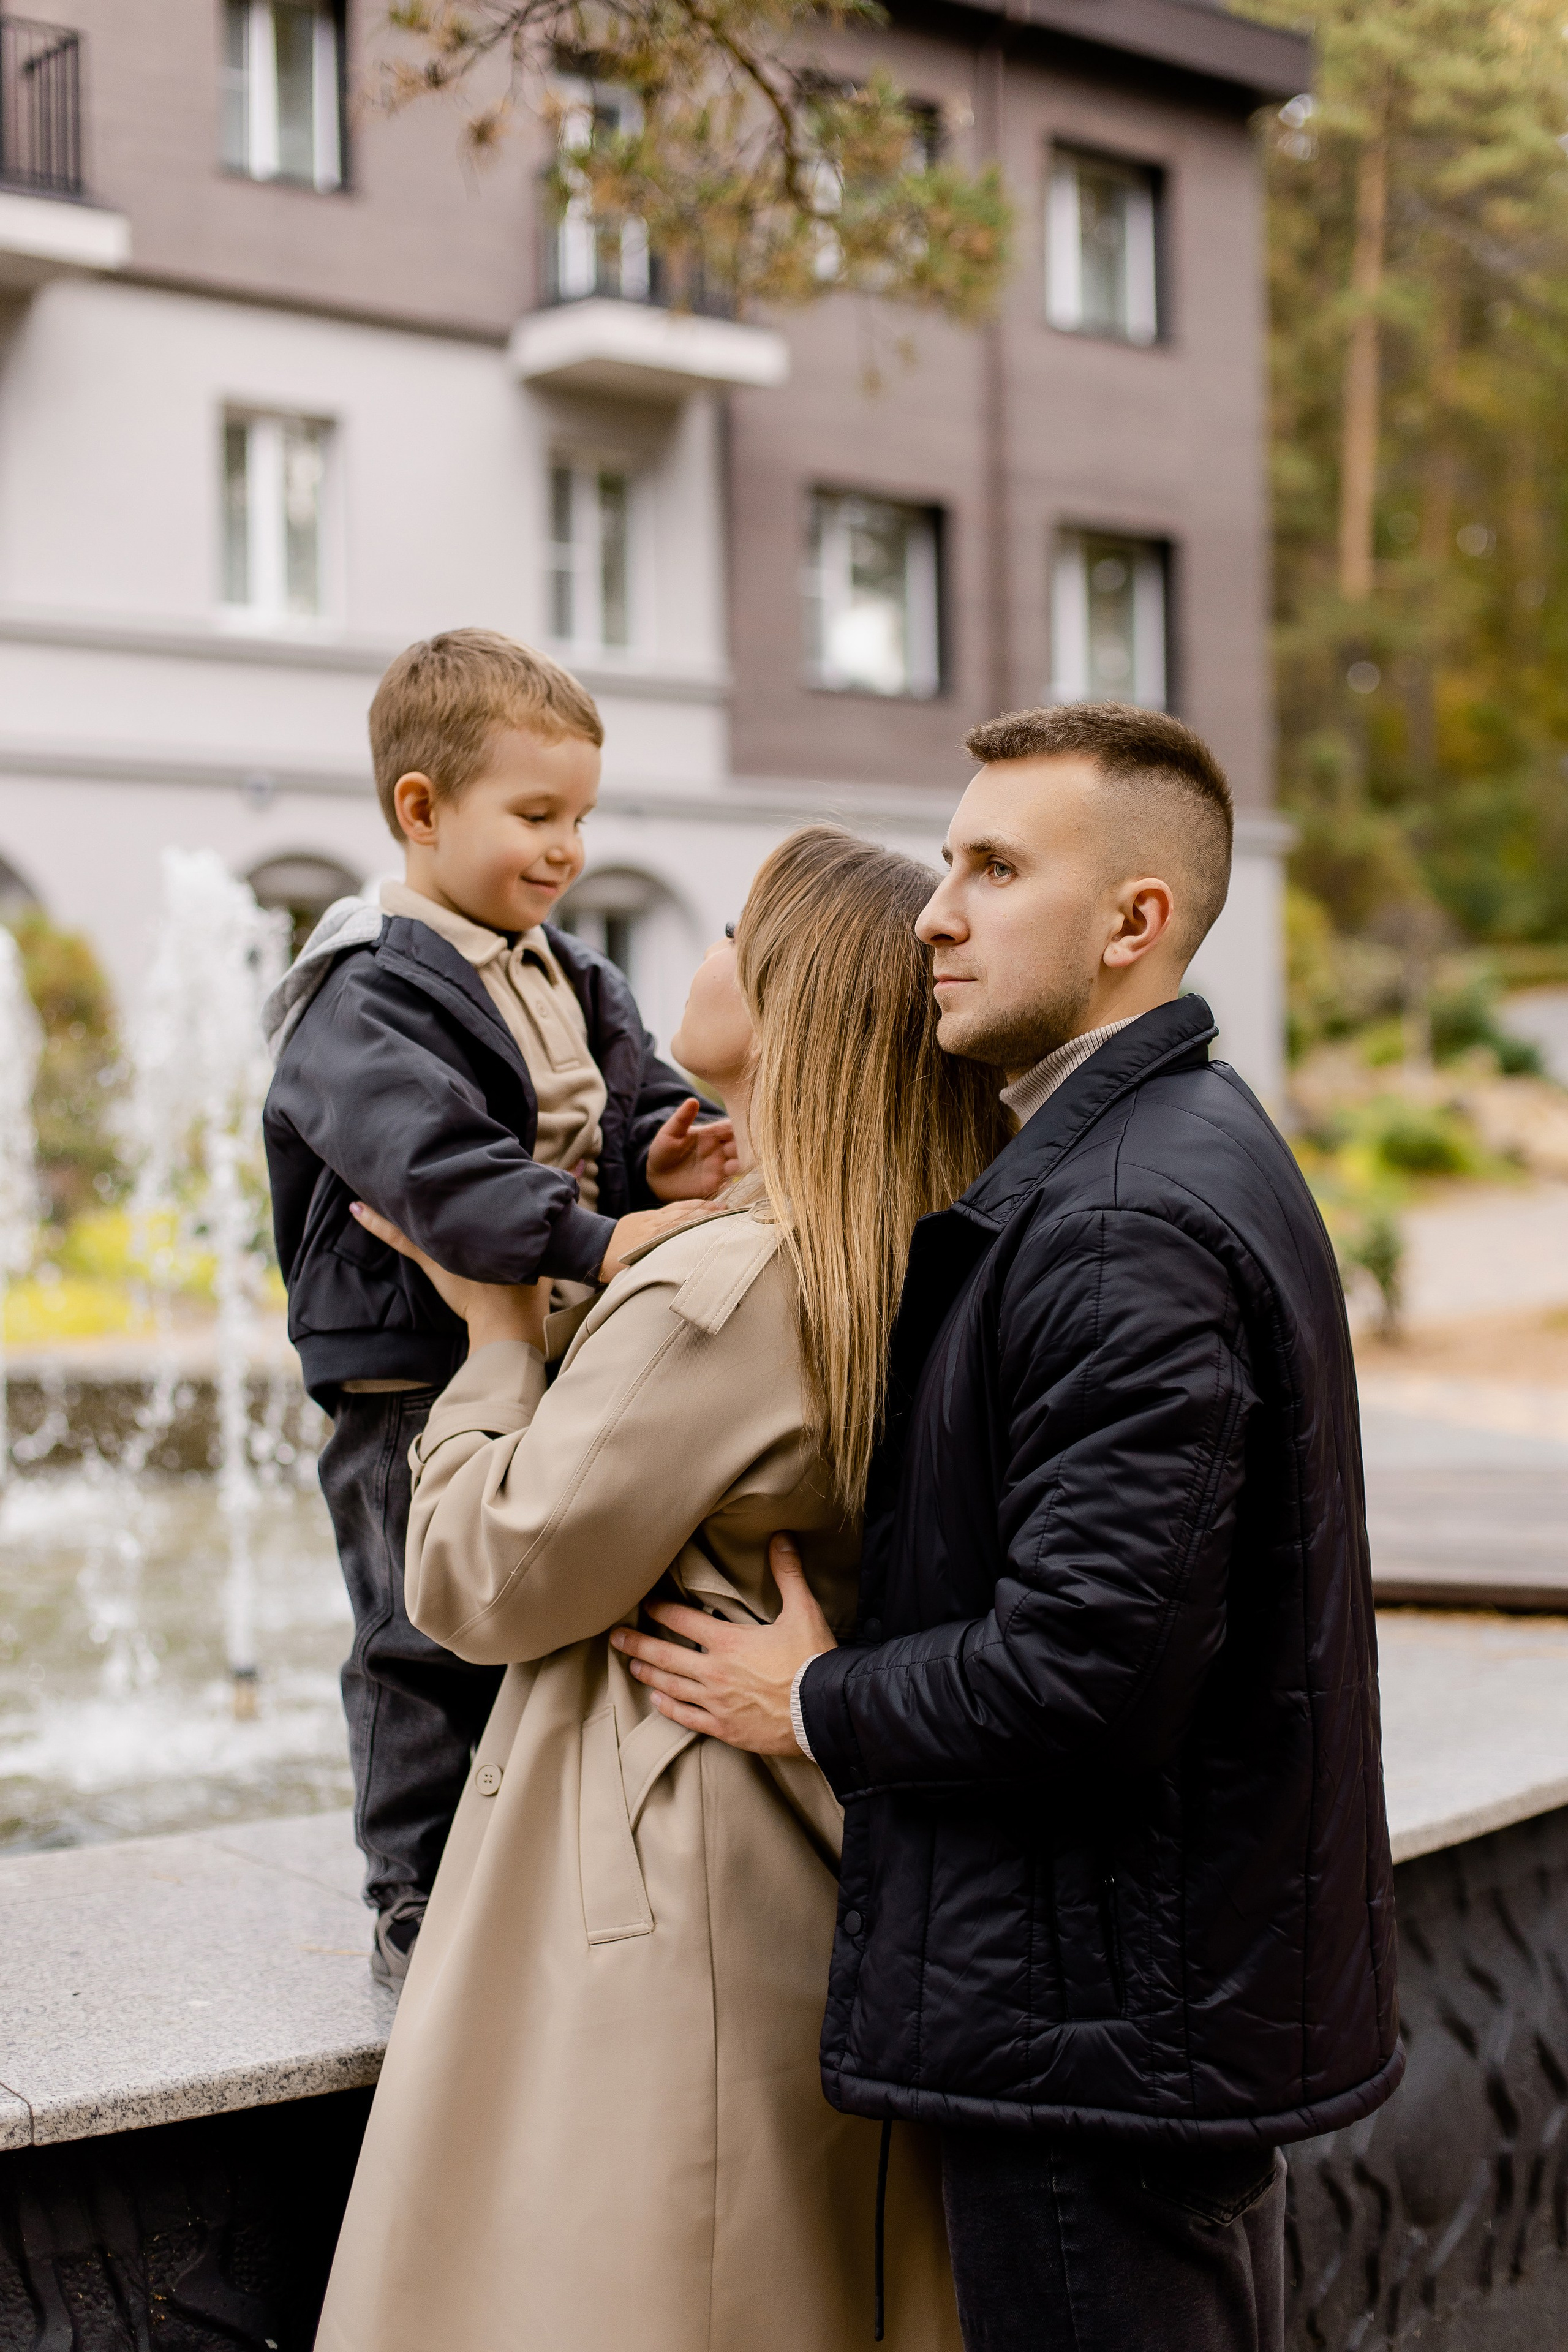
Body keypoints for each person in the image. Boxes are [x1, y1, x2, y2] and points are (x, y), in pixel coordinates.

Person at [613, 704, 1402, 2352]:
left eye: (993, 868)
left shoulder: (1123, 1218)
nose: (934, 914)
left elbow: (1084, 1672)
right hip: (1137, 2016)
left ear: (1137, 923)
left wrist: (810, 1701)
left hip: (1090, 2042)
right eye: (949, 859)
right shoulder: (1158, 1152)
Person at [314, 827, 1008, 2352]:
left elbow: (486, 1580)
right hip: (789, 1866)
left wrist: (494, 1338)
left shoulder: (729, 1284)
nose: (691, 955)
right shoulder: (894, 1241)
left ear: (785, 1004)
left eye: (731, 932)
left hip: (665, 1877)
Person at [260, 628, 733, 1984]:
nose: (567, 846)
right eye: (537, 815)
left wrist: (660, 1153)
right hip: (409, 1368)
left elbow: (621, 1098)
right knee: (417, 1635)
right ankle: (412, 1896)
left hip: (533, 1342)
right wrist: (607, 1234)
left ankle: (527, 1847)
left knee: (544, 1604)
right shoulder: (363, 992)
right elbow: (436, 1175)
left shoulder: (566, 972)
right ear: (420, 808)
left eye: (580, 816)